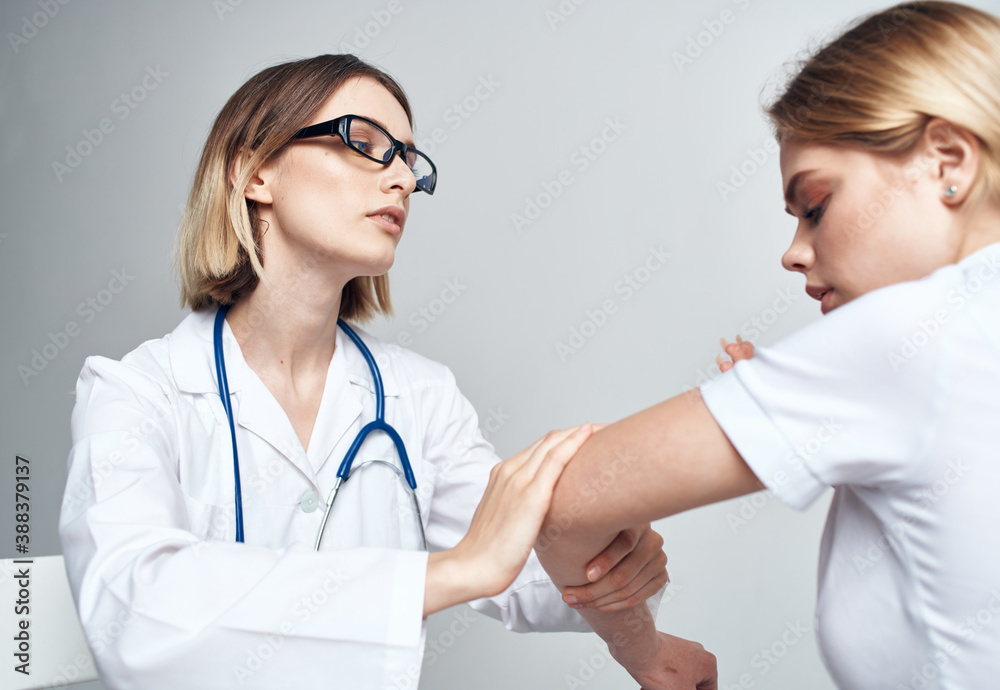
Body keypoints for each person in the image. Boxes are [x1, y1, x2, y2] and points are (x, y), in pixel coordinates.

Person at [58, 54, 670, 689]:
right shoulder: (135, 393)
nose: (402, 179)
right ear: (255, 172)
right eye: (366, 143)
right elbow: (135, 617)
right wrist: (458, 570)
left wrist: (615, 557)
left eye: (407, 159)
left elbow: (532, 575)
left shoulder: (420, 395)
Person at [532, 2, 1000, 689]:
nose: (793, 253)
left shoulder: (908, 334)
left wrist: (644, 651)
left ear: (947, 161)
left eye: (815, 207)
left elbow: (560, 504)